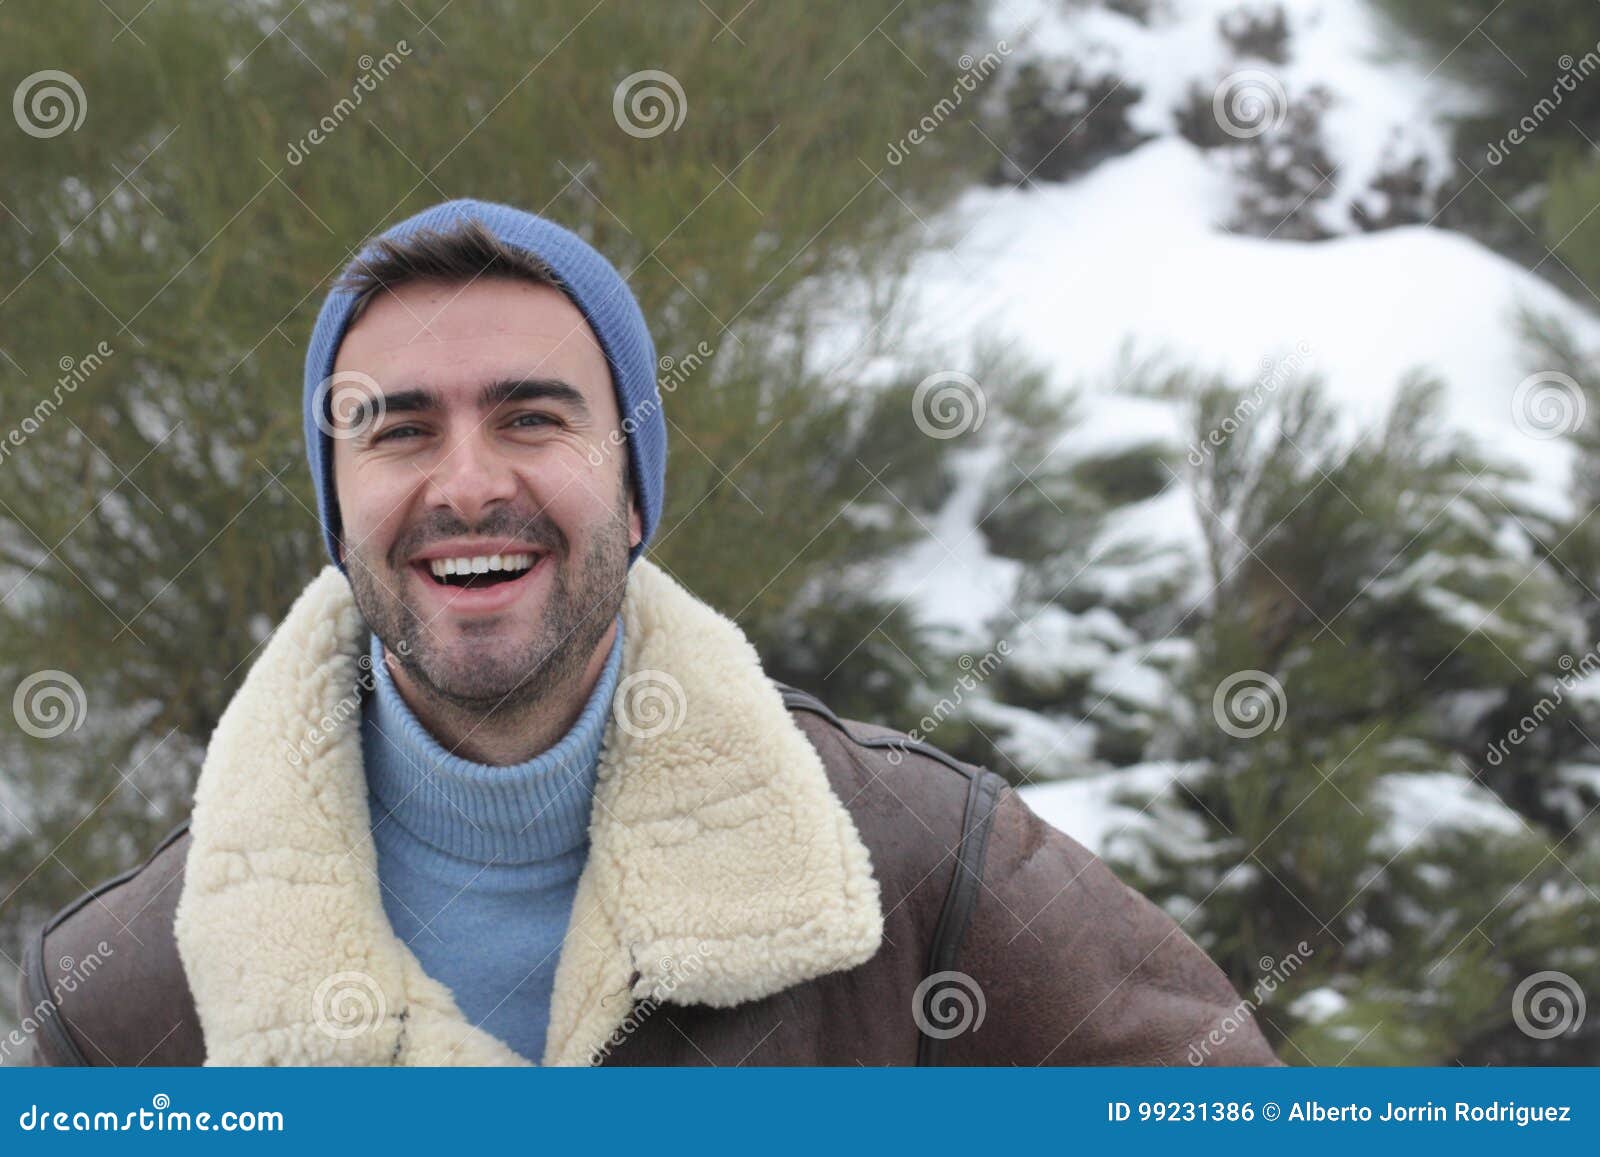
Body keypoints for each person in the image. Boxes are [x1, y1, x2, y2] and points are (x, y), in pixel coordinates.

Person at [15, 199, 1277, 1067]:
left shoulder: (917, 871)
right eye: (396, 429)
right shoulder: (125, 999)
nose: (465, 484)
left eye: (531, 417)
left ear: (631, 489)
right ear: (336, 511)